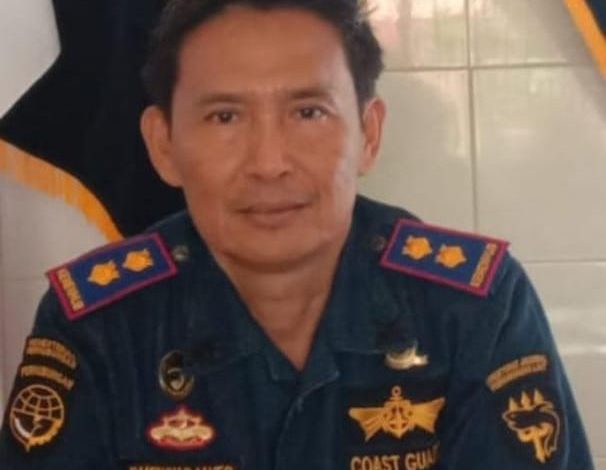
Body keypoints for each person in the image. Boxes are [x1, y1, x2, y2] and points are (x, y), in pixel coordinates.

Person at [0, 0, 594, 468]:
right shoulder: (99, 326)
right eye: (225, 117)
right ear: (163, 145)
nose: (269, 163)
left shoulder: (475, 310)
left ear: (368, 133)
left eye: (308, 112)